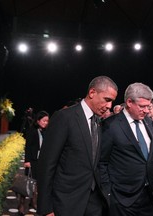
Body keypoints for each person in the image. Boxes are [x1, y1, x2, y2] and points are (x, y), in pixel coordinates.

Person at [37, 76, 118, 216]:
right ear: (92, 93)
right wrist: (46, 207)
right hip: (66, 203)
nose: (109, 106)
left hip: (93, 203)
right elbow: (47, 164)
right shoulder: (64, 117)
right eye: (107, 100)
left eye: (112, 102)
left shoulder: (97, 122)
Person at [99, 82, 153, 216]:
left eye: (148, 106)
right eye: (142, 106)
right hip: (122, 199)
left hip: (149, 195)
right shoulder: (110, 125)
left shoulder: (148, 122)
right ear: (129, 102)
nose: (146, 110)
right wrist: (109, 194)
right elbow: (101, 163)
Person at [19, 110, 49, 215]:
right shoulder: (32, 130)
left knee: (37, 183)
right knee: (27, 182)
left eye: (47, 121)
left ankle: (33, 201)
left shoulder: (46, 131)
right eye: (44, 121)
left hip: (40, 161)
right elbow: (27, 146)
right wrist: (27, 160)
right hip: (32, 160)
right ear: (38, 120)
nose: (46, 123)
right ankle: (22, 204)